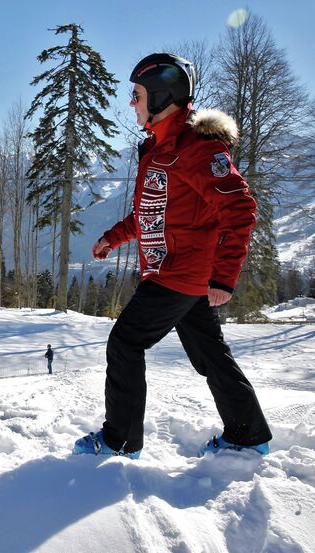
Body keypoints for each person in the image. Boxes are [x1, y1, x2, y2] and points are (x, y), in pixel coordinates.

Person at [74, 53, 272, 459]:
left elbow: (240, 209)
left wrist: (224, 276)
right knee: (209, 355)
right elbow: (154, 213)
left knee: (125, 342)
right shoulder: (161, 147)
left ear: (163, 97)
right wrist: (113, 238)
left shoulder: (196, 149)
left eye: (138, 94)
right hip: (181, 273)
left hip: (178, 275)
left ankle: (120, 441)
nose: (132, 102)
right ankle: (248, 435)